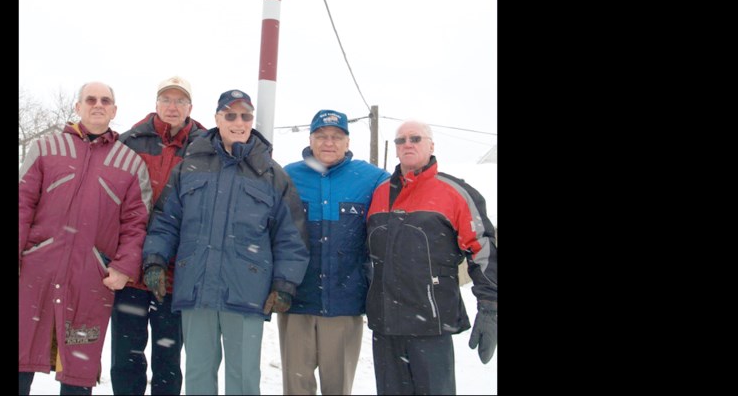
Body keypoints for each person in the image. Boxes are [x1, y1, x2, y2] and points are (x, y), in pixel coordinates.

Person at [141, 89, 310, 395]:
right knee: (198, 374)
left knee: (243, 377)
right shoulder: (190, 166)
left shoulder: (271, 174)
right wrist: (154, 259)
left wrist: (285, 284)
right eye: (230, 115)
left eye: (245, 116)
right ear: (217, 118)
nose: (238, 122)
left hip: (246, 291)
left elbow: (290, 236)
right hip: (197, 286)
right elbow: (166, 220)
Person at [19, 82, 153, 395]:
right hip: (36, 271)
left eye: (105, 100)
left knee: (78, 366)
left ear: (114, 111)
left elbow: (136, 222)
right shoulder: (46, 147)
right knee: (22, 353)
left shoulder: (130, 163)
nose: (98, 105)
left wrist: (123, 266)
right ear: (78, 107)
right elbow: (22, 203)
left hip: (90, 279)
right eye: (90, 99)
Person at [366, 121, 497, 395]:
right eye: (401, 140)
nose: (407, 144)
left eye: (416, 138)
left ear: (431, 145)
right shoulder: (378, 194)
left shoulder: (454, 192)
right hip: (386, 327)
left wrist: (490, 305)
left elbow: (482, 248)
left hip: (431, 326)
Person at [278, 109, 390, 395]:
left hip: (344, 303)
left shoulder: (373, 179)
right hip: (297, 301)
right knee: (296, 387)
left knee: (338, 387)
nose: (329, 142)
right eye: (322, 136)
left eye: (336, 137)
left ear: (348, 141)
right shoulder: (287, 176)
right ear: (311, 139)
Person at [110, 76, 207, 395]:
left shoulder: (204, 147)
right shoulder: (130, 141)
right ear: (156, 104)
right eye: (167, 99)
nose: (173, 106)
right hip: (131, 267)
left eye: (180, 101)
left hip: (175, 271)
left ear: (190, 107)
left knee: (168, 358)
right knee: (127, 357)